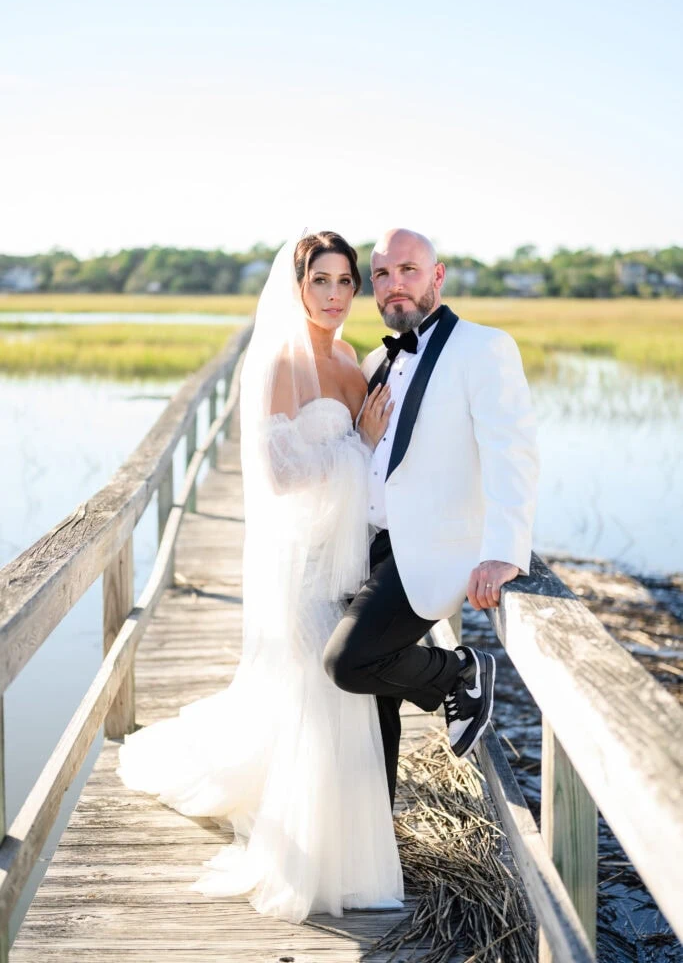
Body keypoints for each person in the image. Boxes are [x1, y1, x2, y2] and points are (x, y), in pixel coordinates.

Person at [116, 231, 405, 923]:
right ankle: (310, 860)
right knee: (319, 691)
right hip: (303, 563)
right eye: (321, 282)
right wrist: (356, 444)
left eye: (345, 282)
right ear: (297, 286)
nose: (335, 296)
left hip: (349, 556)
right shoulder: (279, 360)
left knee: (342, 695)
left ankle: (353, 852)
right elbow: (277, 476)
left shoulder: (351, 360)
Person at [324, 228, 540, 809]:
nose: (395, 286)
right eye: (384, 275)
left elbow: (511, 452)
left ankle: (457, 674)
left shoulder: (484, 347)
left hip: (436, 550)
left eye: (409, 271)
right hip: (372, 545)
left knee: (350, 663)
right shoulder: (376, 359)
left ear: (437, 277)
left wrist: (504, 550)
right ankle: (378, 842)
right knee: (374, 706)